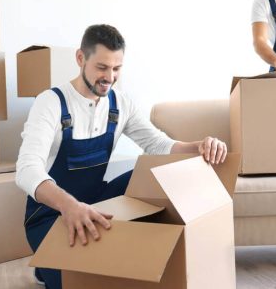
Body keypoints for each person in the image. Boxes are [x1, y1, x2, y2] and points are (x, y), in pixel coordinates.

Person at [15, 24, 227, 289]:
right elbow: (26, 169)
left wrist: (199, 146)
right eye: (102, 67)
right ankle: (45, 269)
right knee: (79, 281)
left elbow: (157, 144)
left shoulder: (120, 103)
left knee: (153, 173)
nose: (110, 77)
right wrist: (70, 206)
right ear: (80, 58)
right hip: (50, 214)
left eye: (117, 69)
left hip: (97, 204)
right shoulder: (52, 103)